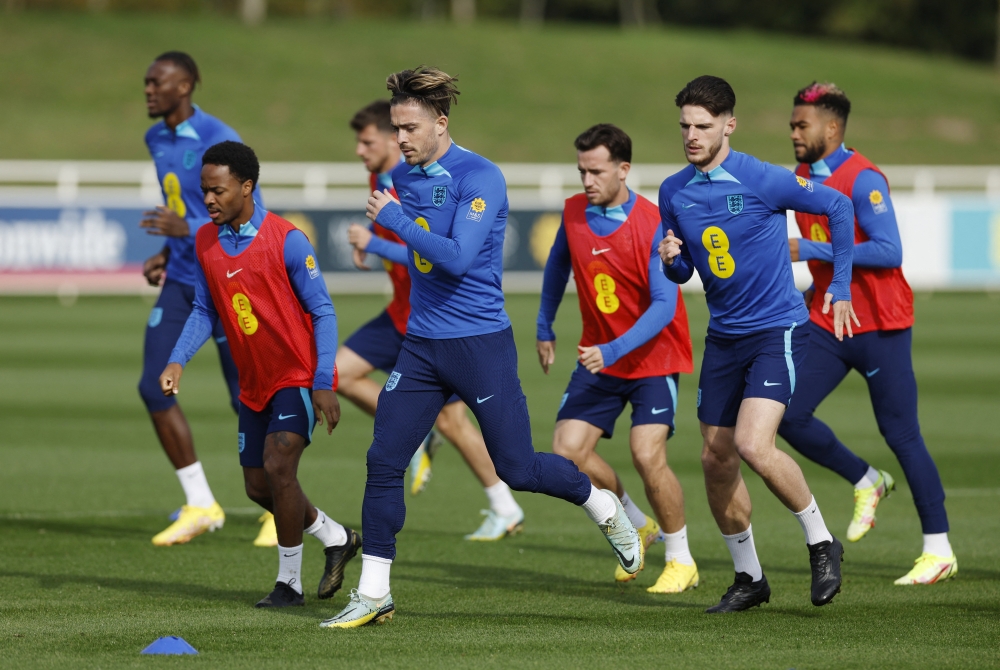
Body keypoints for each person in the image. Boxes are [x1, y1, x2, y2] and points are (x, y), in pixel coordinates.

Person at [321, 67, 642, 629]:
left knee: (517, 468)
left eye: (410, 128)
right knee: (383, 460)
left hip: (480, 345)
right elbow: (420, 257)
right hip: (421, 346)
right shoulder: (405, 177)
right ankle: (375, 592)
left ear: (441, 123)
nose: (400, 140)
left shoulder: (482, 177)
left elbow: (457, 257)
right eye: (395, 128)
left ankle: (603, 505)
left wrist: (392, 221)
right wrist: (385, 238)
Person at [658, 75, 858, 613]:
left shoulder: (764, 179)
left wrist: (839, 286)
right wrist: (673, 260)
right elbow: (685, 272)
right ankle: (750, 578)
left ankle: (821, 542)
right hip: (724, 337)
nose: (692, 136)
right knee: (715, 458)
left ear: (729, 124)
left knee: (752, 444)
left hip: (777, 329)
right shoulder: (673, 191)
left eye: (703, 126)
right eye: (685, 127)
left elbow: (839, 209)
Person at [160, 141, 359, 608]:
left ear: (247, 187)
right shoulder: (206, 241)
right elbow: (203, 310)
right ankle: (336, 536)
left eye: (218, 191)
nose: (208, 200)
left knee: (278, 466)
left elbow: (324, 313)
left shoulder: (287, 239)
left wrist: (324, 382)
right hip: (254, 386)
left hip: (295, 377)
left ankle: (288, 585)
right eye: (204, 191)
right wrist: (177, 359)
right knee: (258, 487)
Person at [778, 82, 957, 585]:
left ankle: (939, 549)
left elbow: (889, 250)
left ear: (831, 129)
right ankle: (866, 479)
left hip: (879, 324)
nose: (793, 132)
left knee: (901, 434)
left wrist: (812, 252)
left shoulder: (863, 179)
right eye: (793, 124)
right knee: (787, 414)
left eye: (801, 125)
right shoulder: (798, 178)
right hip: (826, 320)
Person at [340, 101, 525, 540]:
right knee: (333, 375)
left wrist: (380, 237)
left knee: (461, 428)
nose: (360, 150)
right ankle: (373, 585)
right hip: (405, 318)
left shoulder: (461, 176)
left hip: (450, 324)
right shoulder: (394, 178)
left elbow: (441, 255)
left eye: (369, 140)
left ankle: (506, 505)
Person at [537, 123, 697, 592]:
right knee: (568, 453)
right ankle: (634, 523)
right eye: (581, 170)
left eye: (597, 171)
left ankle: (681, 558)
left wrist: (611, 350)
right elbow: (556, 267)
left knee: (647, 455)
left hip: (653, 358)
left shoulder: (652, 222)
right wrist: (545, 326)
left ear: (623, 169)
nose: (587, 181)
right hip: (600, 359)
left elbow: (665, 307)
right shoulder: (573, 213)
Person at [138, 51, 274, 548]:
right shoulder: (155, 138)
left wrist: (186, 228)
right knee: (154, 388)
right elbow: (186, 209)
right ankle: (200, 502)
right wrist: (167, 248)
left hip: (230, 279)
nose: (149, 89)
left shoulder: (218, 136)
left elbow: (248, 212)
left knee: (249, 397)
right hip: (180, 278)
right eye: (147, 82)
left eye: (159, 82)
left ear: (188, 85)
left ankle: (279, 503)